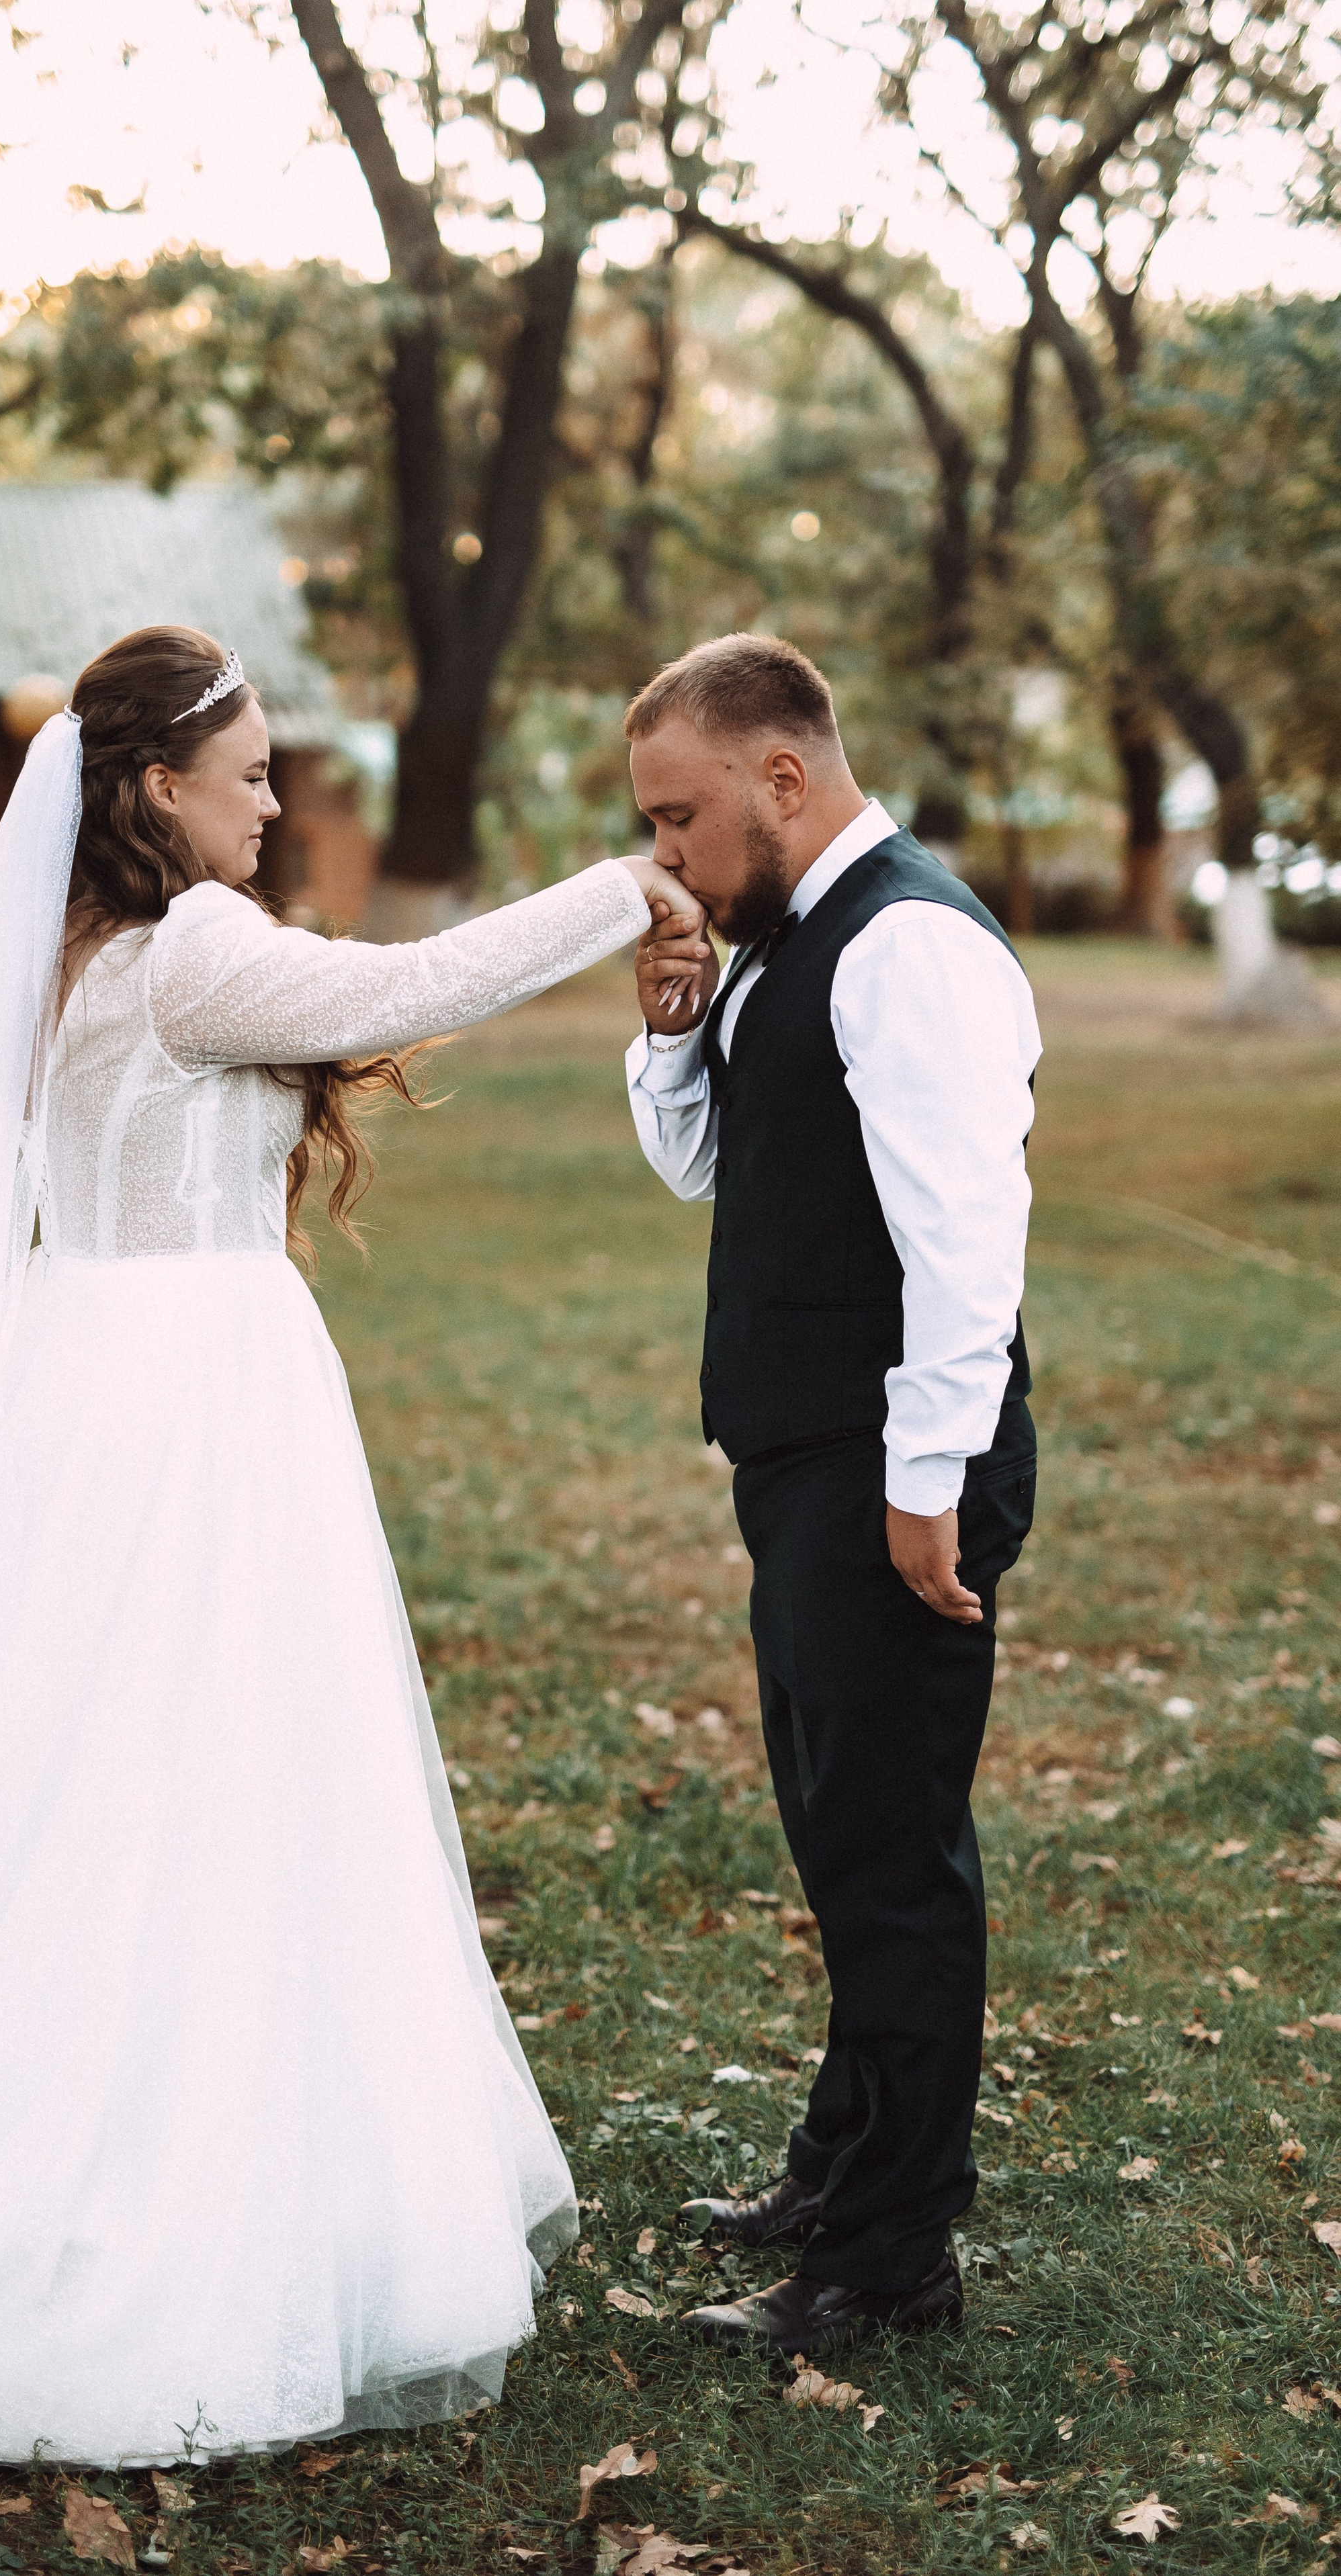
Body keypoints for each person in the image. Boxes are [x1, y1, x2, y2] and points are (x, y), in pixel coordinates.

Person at [0, 625, 707, 2466]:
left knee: (129, 1776)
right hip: (186, 1402)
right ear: (157, 790)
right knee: (191, 1775)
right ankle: (148, 2196)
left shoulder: (95, 952)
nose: (277, 799)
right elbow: (410, 974)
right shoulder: (193, 948)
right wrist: (628, 884)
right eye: (255, 768)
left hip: (119, 1380)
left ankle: (130, 2122)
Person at [623, 633, 1040, 2358]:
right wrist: (668, 1028)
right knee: (835, 1824)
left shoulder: (911, 944)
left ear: (778, 778)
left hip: (892, 1472)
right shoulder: (778, 944)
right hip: (811, 1464)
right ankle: (838, 2166)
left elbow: (966, 1236)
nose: (660, 853)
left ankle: (887, 2262)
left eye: (677, 814)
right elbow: (710, 1167)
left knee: (887, 1857)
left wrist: (923, 1480)